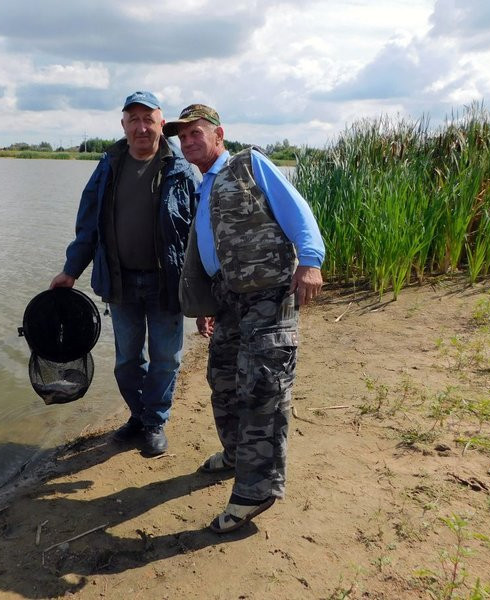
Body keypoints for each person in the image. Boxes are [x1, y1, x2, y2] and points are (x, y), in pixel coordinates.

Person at [163, 104, 325, 532]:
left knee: (263, 392)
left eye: (196, 133)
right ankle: (236, 454)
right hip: (229, 303)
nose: (188, 141)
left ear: (219, 134)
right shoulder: (203, 186)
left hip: (269, 298)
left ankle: (255, 492)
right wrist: (205, 306)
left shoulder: (248, 165)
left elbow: (298, 211)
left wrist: (310, 261)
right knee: (223, 381)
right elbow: (206, 252)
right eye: (182, 137)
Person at [50, 91, 199, 456]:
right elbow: (88, 227)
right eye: (133, 119)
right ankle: (139, 414)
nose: (141, 127)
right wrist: (71, 271)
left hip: (167, 282)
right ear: (123, 125)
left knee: (167, 358)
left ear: (162, 125)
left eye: (148, 119)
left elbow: (198, 234)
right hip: (121, 282)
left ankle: (154, 422)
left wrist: (205, 290)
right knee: (126, 362)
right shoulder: (107, 166)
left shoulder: (181, 169)